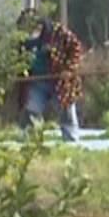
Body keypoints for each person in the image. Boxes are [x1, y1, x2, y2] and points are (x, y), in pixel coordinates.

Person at [20, 13, 83, 142]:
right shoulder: (23, 41)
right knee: (32, 110)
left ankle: (71, 139)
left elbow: (76, 48)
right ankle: (30, 140)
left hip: (59, 80)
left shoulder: (59, 34)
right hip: (36, 81)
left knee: (66, 109)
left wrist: (68, 69)